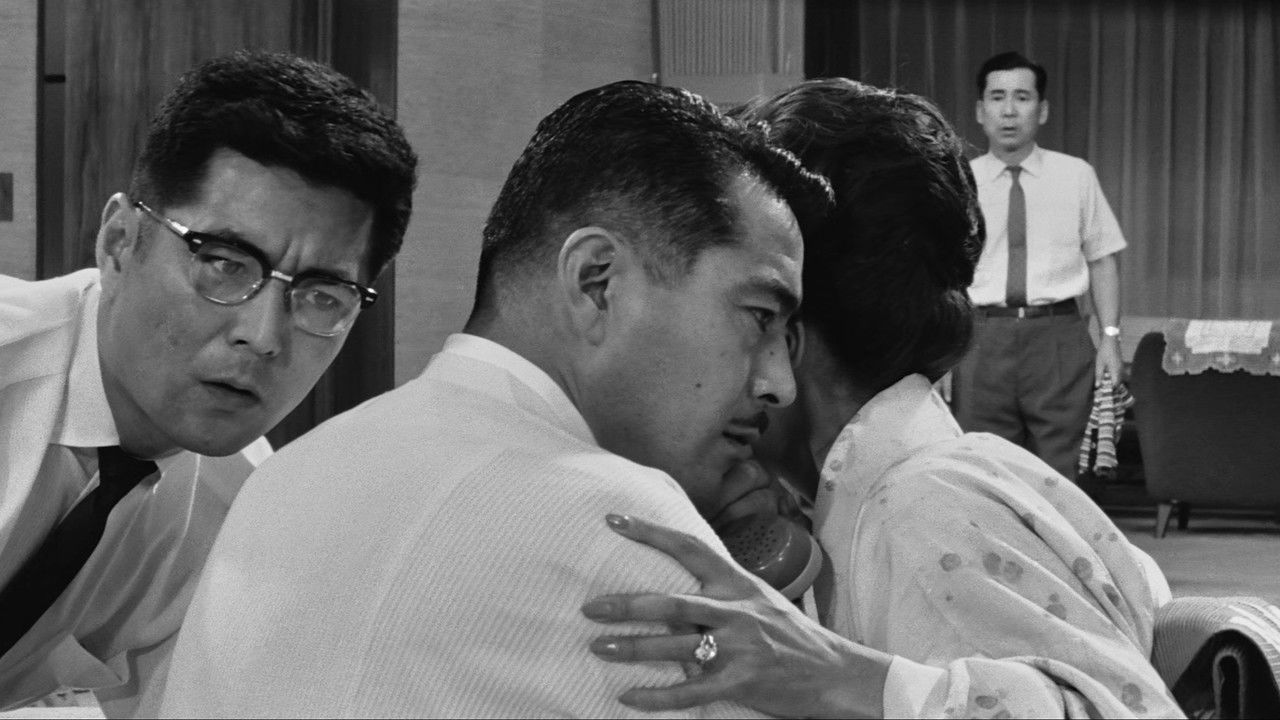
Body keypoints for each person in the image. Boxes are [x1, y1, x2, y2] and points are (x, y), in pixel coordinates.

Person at [156, 80, 832, 717]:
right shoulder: (627, 525)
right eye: (759, 317)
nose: (779, 382)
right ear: (597, 282)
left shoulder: (288, 475)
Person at [582, 79, 1181, 718]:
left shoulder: (918, 508)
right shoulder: (897, 494)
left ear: (787, 333)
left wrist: (842, 680)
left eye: (746, 313)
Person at [0, 51, 417, 715]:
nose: (264, 334)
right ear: (119, 242)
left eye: (321, 296)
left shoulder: (240, 509)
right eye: (224, 263)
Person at [954, 51, 1126, 480]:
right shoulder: (958, 181)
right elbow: (941, 273)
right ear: (980, 111)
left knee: (1064, 473)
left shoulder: (1076, 175)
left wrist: (1110, 339)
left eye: (1022, 97)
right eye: (997, 98)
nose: (1009, 111)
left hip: (1058, 337)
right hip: (980, 338)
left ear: (1042, 110)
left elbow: (1102, 260)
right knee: (984, 471)